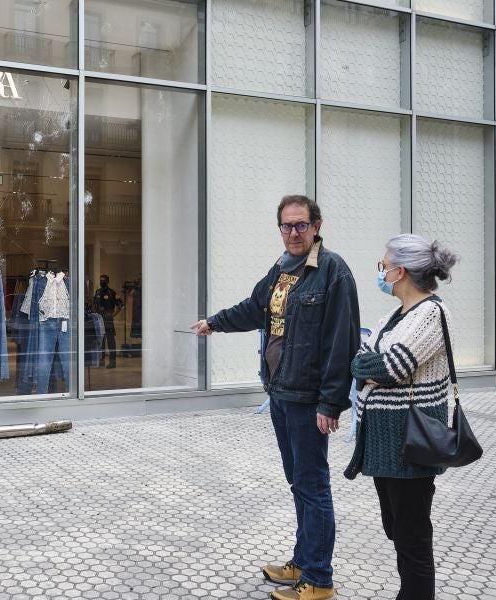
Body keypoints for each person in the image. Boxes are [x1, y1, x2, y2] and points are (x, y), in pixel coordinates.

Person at [191, 195, 360, 600]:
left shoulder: (333, 272)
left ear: (317, 225)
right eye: (286, 226)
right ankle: (303, 561)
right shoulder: (281, 270)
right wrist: (214, 323)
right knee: (298, 483)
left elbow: (343, 342)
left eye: (301, 225)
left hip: (307, 397)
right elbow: (254, 309)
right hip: (281, 391)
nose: (293, 233)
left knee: (313, 485)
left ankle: (319, 579)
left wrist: (331, 403)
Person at [344, 234, 459, 600]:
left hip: (411, 443)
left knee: (412, 537)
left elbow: (392, 366)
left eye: (384, 264)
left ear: (401, 271)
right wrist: (366, 365)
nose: (381, 270)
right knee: (396, 529)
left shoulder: (432, 314)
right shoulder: (393, 317)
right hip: (385, 446)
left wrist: (368, 365)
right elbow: (361, 362)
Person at [92, 274, 123, 368]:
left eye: (104, 280)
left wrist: (113, 315)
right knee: (100, 341)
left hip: (108, 320)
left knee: (110, 342)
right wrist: (95, 315)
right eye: (101, 280)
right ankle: (101, 362)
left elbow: (121, 306)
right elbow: (93, 305)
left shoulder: (112, 293)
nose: (102, 282)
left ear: (108, 281)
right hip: (99, 320)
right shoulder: (97, 292)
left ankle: (112, 362)